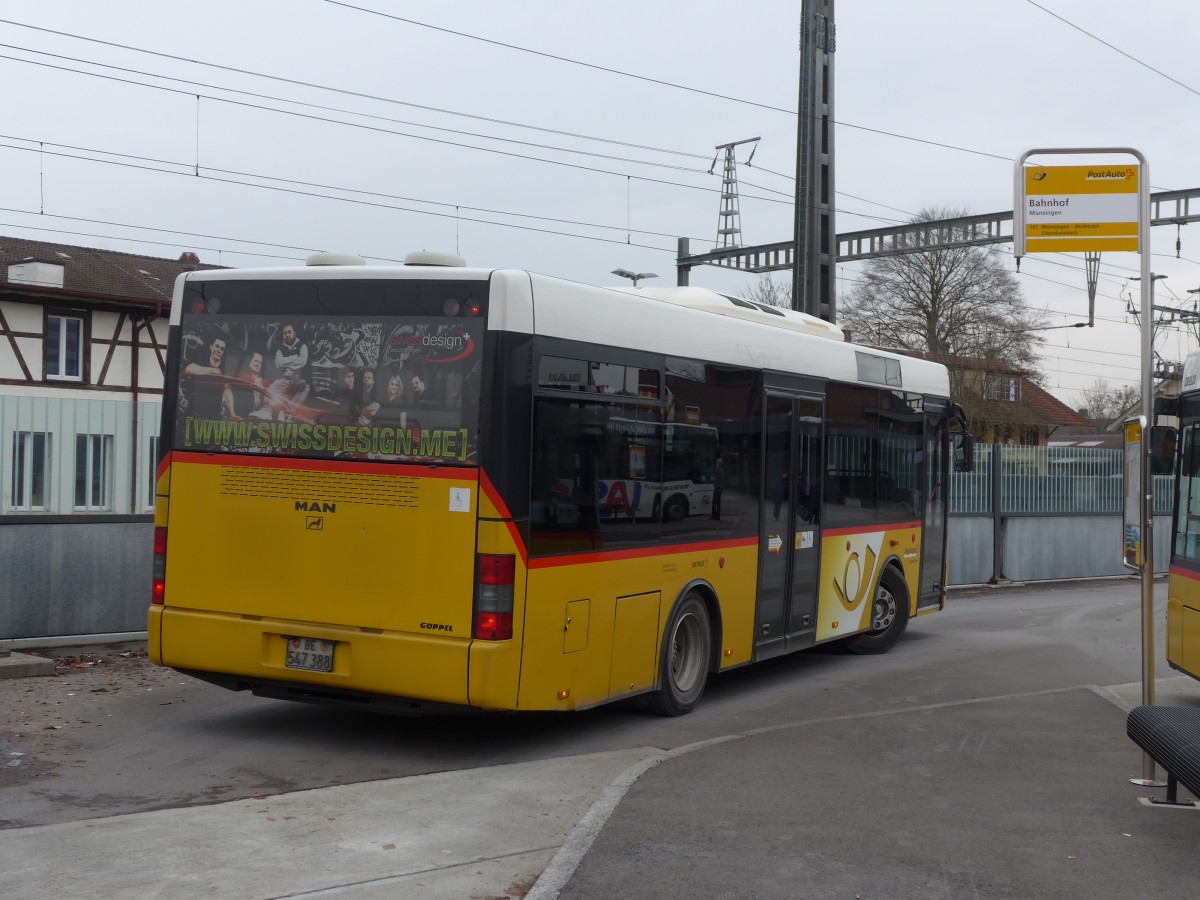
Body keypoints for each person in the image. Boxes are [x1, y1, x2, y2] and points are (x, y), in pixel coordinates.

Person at [182, 336, 233, 418]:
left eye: (222, 349)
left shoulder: (225, 368)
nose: (219, 350)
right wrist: (212, 370)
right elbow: (189, 368)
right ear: (211, 347)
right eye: (217, 346)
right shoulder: (202, 360)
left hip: (214, 412)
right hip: (195, 409)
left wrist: (232, 413)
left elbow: (228, 389)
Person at [271, 323, 310, 406]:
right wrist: (295, 357)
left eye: (289, 332)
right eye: (285, 333)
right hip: (284, 379)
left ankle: (289, 415)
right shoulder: (280, 348)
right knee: (270, 391)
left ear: (294, 333)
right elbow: (279, 362)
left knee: (304, 390)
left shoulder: (302, 345)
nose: (287, 335)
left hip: (299, 380)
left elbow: (303, 361)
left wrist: (287, 363)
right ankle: (266, 411)